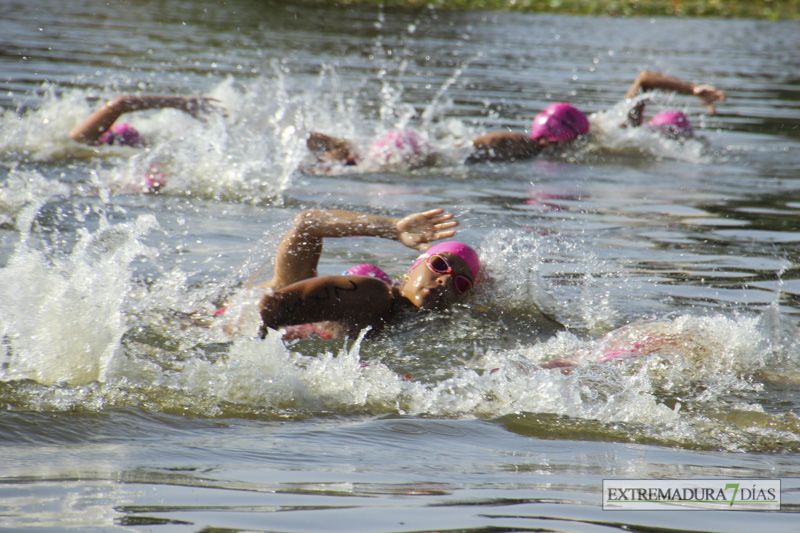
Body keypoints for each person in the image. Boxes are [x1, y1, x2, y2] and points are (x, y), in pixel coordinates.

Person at [306, 70, 726, 166]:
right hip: (460, 155)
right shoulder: (617, 131)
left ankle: (326, 143)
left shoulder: (595, 126)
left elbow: (646, 80)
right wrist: (692, 91)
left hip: (465, 147)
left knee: (366, 154)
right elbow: (646, 82)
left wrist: (693, 91)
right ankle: (330, 147)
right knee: (381, 161)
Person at [255, 208, 481, 340]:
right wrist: (392, 228)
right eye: (440, 265)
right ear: (410, 271)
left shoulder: (411, 323)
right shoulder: (372, 294)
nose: (446, 280)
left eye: (461, 284)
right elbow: (308, 223)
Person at [68, 94, 222, 147]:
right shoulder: (79, 141)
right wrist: (180, 102)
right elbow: (120, 103)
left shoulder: (78, 139)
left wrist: (181, 102)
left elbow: (119, 103)